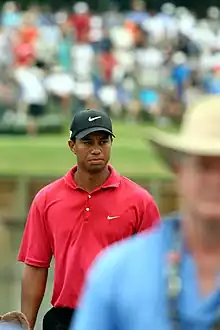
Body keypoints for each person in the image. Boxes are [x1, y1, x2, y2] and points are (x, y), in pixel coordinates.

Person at [71, 96, 220, 330]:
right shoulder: (117, 272)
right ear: (179, 171)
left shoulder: (120, 262)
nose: (215, 181)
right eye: (204, 166)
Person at [18, 109, 160, 330]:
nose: (96, 149)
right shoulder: (46, 200)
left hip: (118, 319)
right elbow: (36, 266)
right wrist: (25, 326)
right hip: (64, 320)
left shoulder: (140, 201)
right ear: (72, 146)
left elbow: (152, 271)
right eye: (87, 142)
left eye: (103, 142)